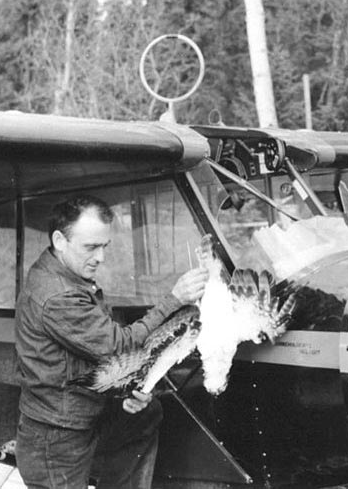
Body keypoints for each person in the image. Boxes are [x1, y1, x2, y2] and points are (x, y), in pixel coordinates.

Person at [14, 194, 208, 489]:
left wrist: (132, 389)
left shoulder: (67, 273)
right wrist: (175, 299)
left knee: (146, 415)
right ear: (59, 240)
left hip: (80, 416)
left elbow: (94, 354)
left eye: (104, 246)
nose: (100, 258)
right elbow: (120, 347)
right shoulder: (59, 295)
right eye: (90, 247)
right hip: (56, 440)